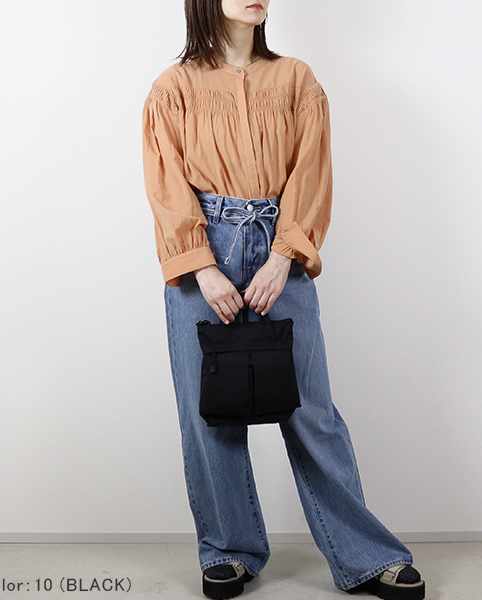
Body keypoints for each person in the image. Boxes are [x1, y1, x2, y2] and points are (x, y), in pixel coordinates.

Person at [141, 1, 426, 599]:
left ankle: (365, 556)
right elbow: (166, 183)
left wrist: (282, 255)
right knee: (209, 412)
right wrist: (202, 267)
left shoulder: (297, 79)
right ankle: (229, 549)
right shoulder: (173, 88)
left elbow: (311, 172)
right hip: (204, 250)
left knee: (311, 411)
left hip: (280, 248)